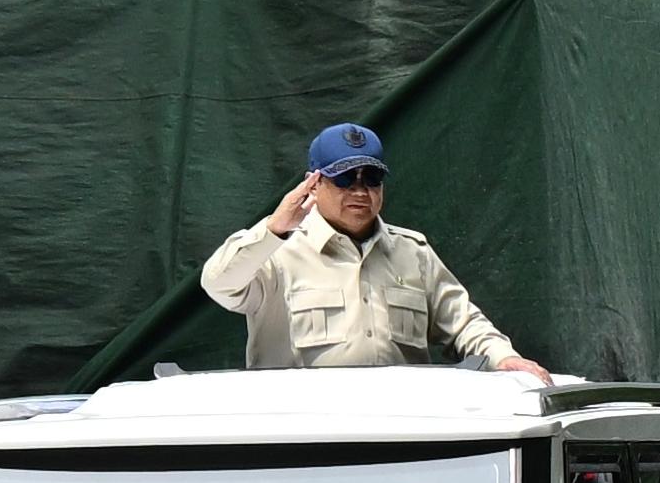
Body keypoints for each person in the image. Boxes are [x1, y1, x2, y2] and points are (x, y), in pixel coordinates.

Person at [197, 124, 546, 377]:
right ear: (313, 184)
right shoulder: (277, 253)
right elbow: (219, 284)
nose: (360, 192)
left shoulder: (413, 253)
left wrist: (503, 358)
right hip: (303, 438)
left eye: (372, 179)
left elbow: (464, 322)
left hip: (399, 435)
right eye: (345, 179)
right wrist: (274, 228)